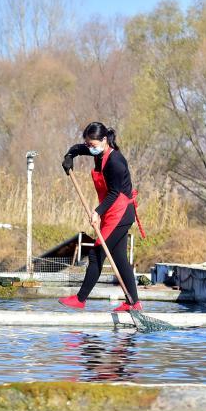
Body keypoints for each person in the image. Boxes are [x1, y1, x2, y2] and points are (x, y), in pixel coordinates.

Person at [58, 122, 145, 312]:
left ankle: (80, 299)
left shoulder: (115, 161)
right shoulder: (98, 150)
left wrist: (97, 212)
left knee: (96, 254)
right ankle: (134, 304)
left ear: (104, 140)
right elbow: (78, 149)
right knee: (120, 258)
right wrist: (69, 156)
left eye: (93, 145)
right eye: (88, 144)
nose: (90, 148)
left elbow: (114, 193)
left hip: (120, 213)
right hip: (113, 212)